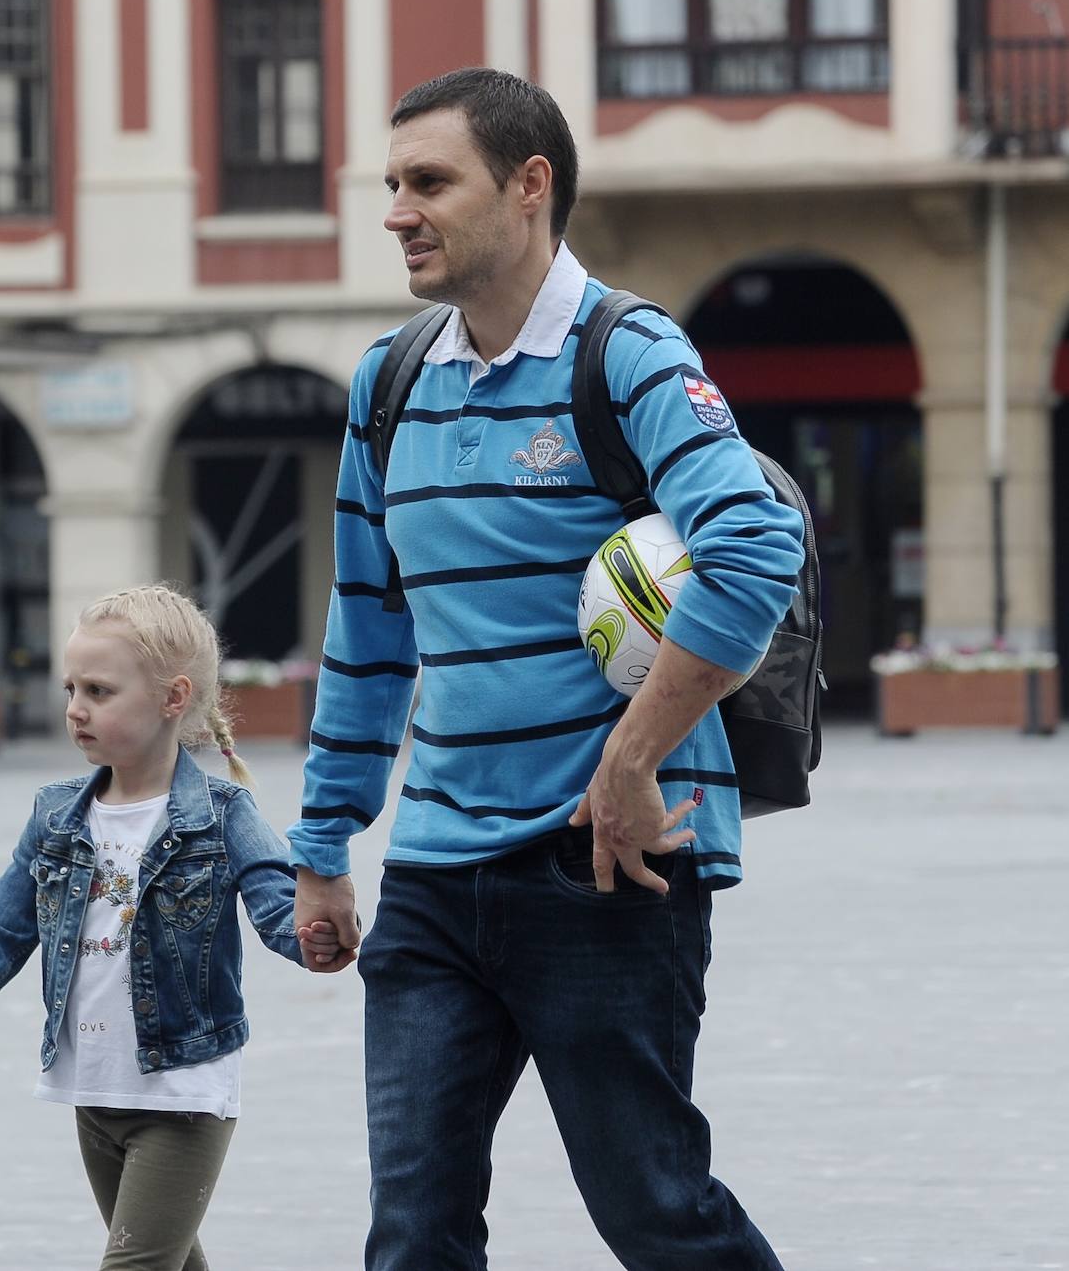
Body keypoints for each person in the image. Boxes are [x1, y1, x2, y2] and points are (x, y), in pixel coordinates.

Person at [289, 68, 803, 1270]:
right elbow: (368, 624)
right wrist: (323, 847)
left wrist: (632, 761)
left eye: (429, 182)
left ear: (531, 187)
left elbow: (755, 542)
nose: (398, 211)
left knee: (656, 1215)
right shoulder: (389, 382)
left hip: (608, 862)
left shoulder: (627, 355)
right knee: (411, 1236)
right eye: (391, 184)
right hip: (431, 875)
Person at [0, 583, 342, 1271]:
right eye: (72, 688)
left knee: (133, 1264)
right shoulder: (55, 817)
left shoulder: (221, 813)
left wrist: (315, 938)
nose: (76, 709)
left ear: (172, 698)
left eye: (99, 691)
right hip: (94, 1088)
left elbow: (279, 905)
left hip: (182, 1090)